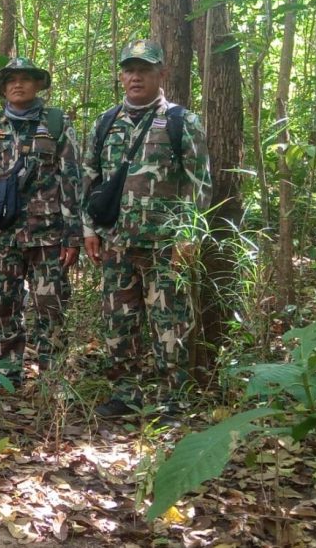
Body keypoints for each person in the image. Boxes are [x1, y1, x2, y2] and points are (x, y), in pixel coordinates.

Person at [82, 40, 212, 418]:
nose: (135, 76)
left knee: (171, 323)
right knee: (118, 323)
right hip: (117, 245)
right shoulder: (106, 122)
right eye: (129, 70)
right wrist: (89, 229)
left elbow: (199, 181)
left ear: (161, 74)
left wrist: (189, 234)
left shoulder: (180, 121)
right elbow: (89, 180)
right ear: (122, 76)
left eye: (144, 69)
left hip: (165, 246)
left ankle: (175, 399)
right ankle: (126, 394)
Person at [0, 57, 81, 394]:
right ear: (3, 88)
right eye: (11, 80)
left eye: (26, 79)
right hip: (3, 234)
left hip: (48, 234)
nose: (18, 85)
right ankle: (4, 373)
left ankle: (52, 378)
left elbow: (72, 180)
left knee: (51, 305)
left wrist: (74, 235)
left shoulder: (57, 123)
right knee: (4, 304)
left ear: (38, 85)